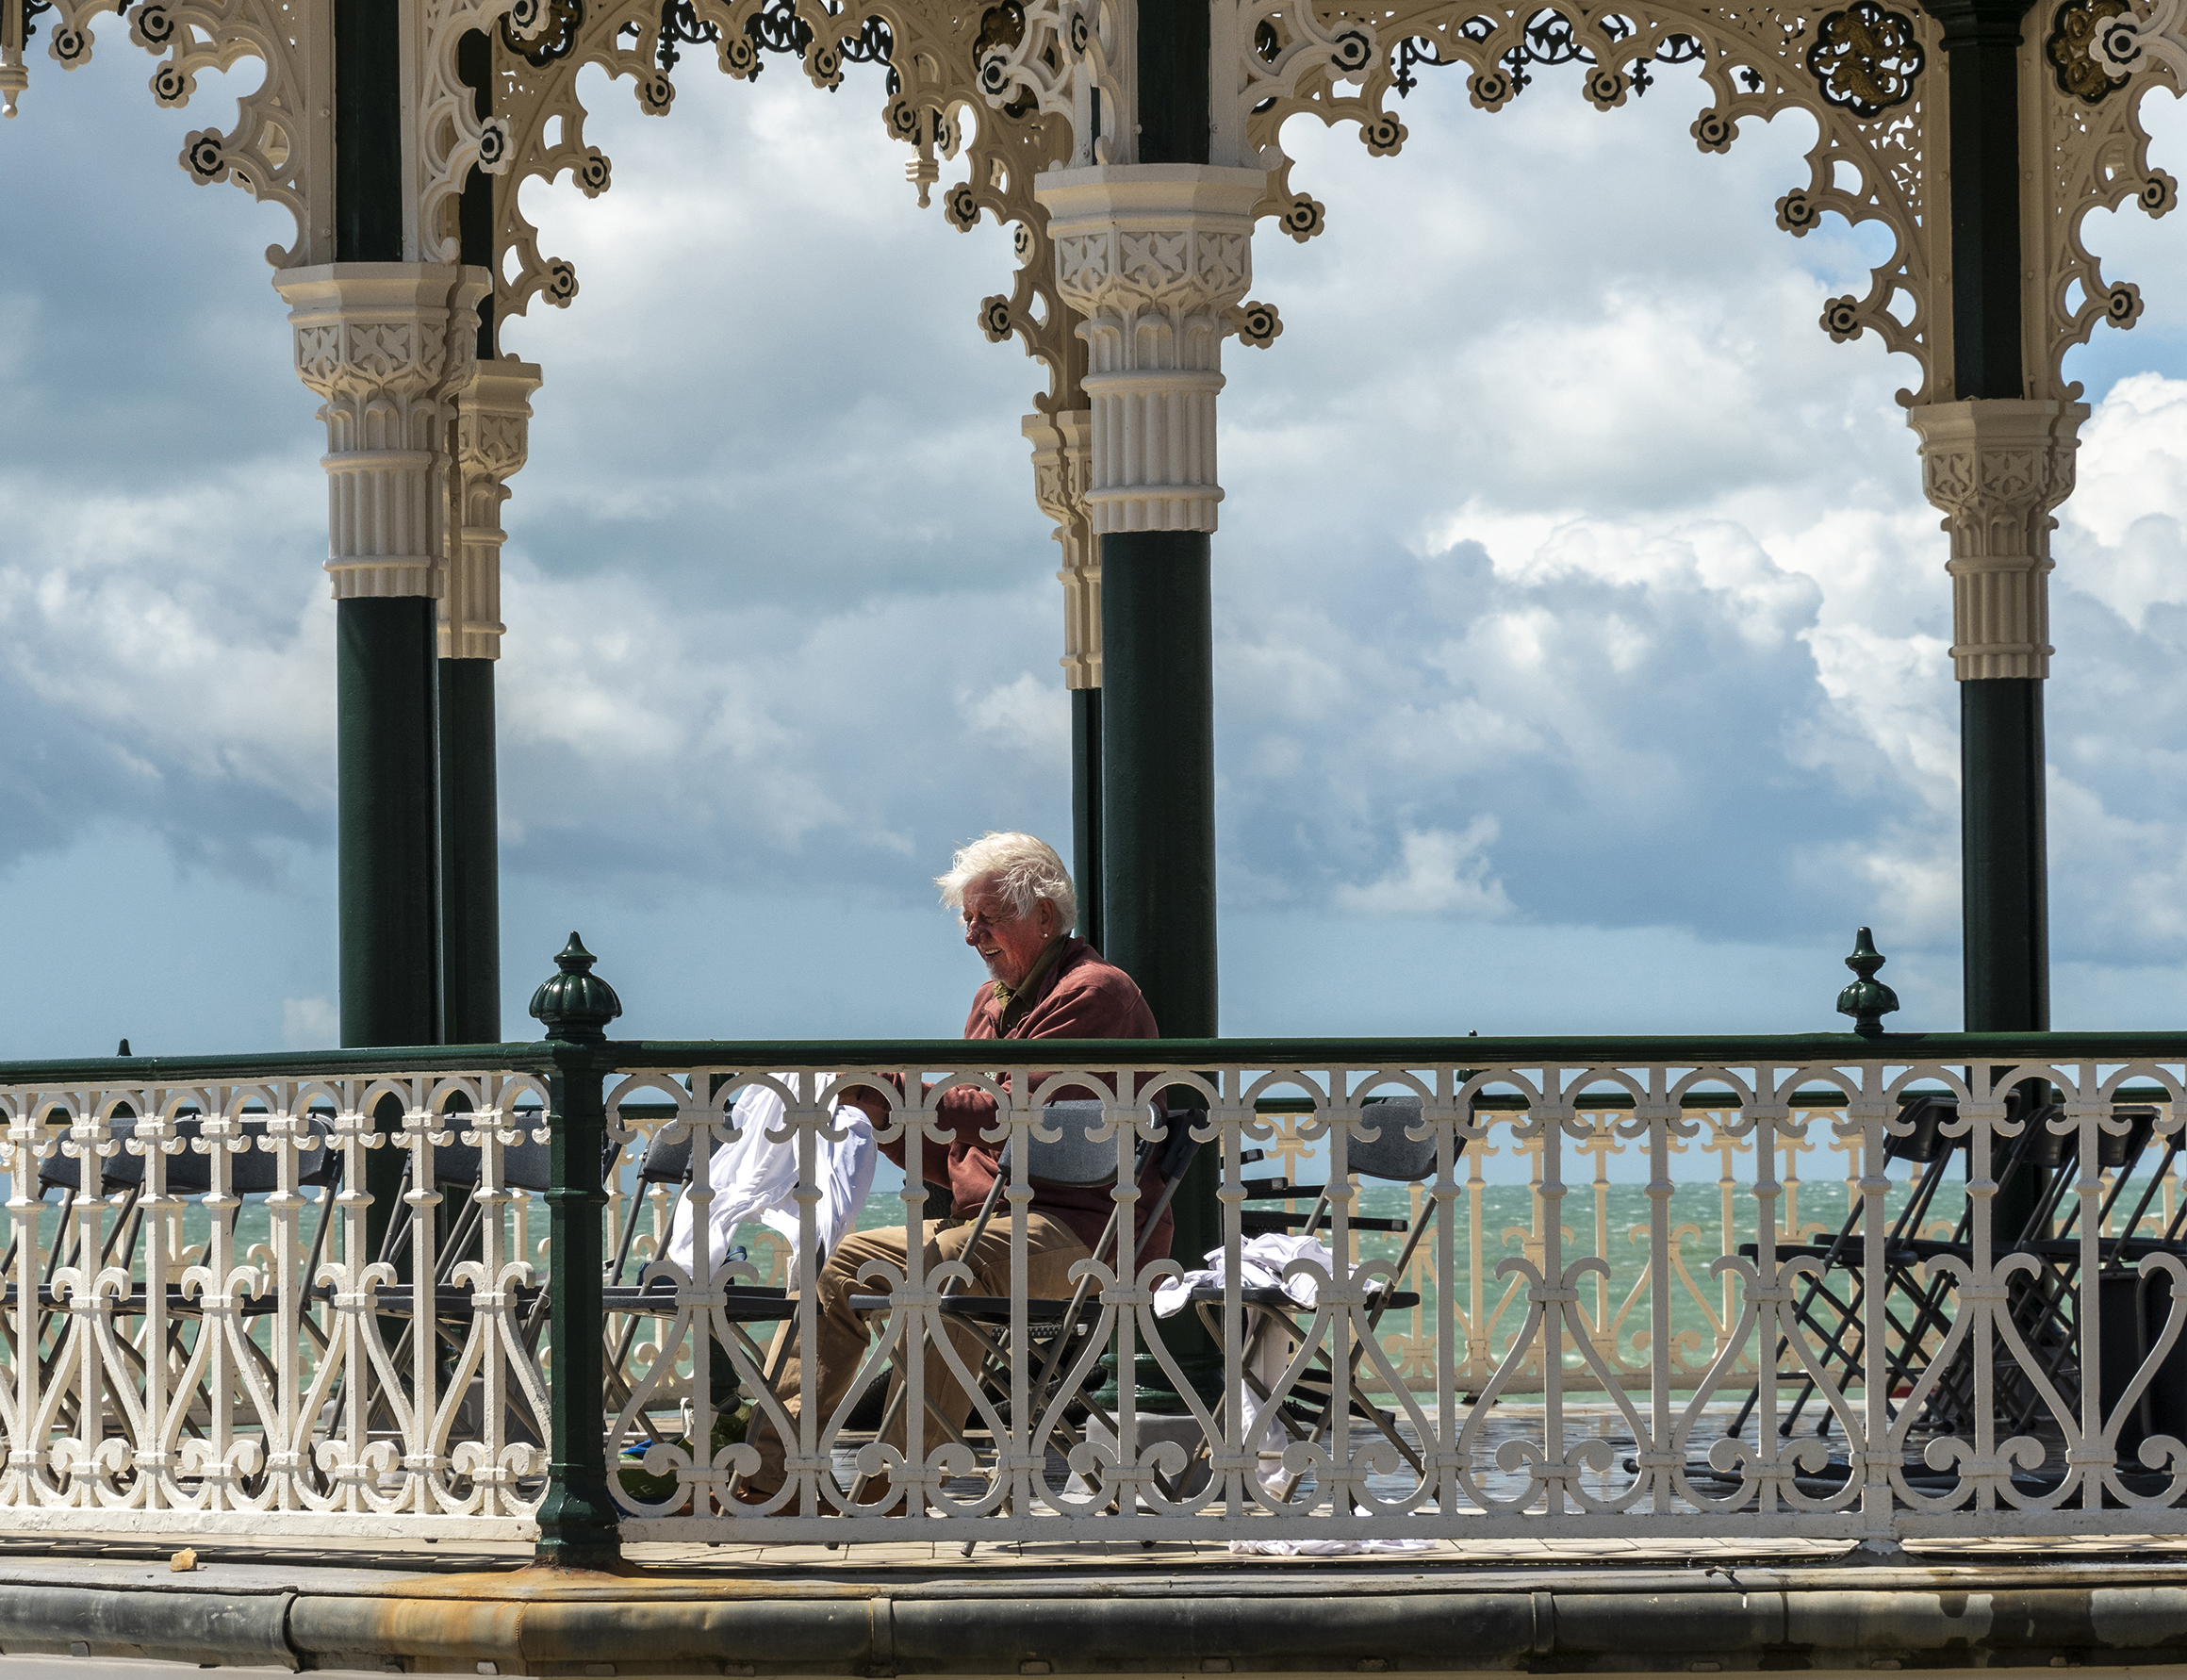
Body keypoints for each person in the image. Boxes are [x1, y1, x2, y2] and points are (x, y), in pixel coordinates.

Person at [737, 832, 1163, 1507]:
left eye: (987, 917)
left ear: (1045, 916)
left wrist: (899, 1089)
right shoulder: (991, 1005)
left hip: (1084, 1233)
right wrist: (882, 1113)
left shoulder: (1096, 994)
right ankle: (771, 1480)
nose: (972, 935)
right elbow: (957, 1155)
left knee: (943, 1270)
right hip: (993, 1220)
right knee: (843, 1263)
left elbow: (1013, 1111)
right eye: (967, 919)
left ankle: (906, 1484)